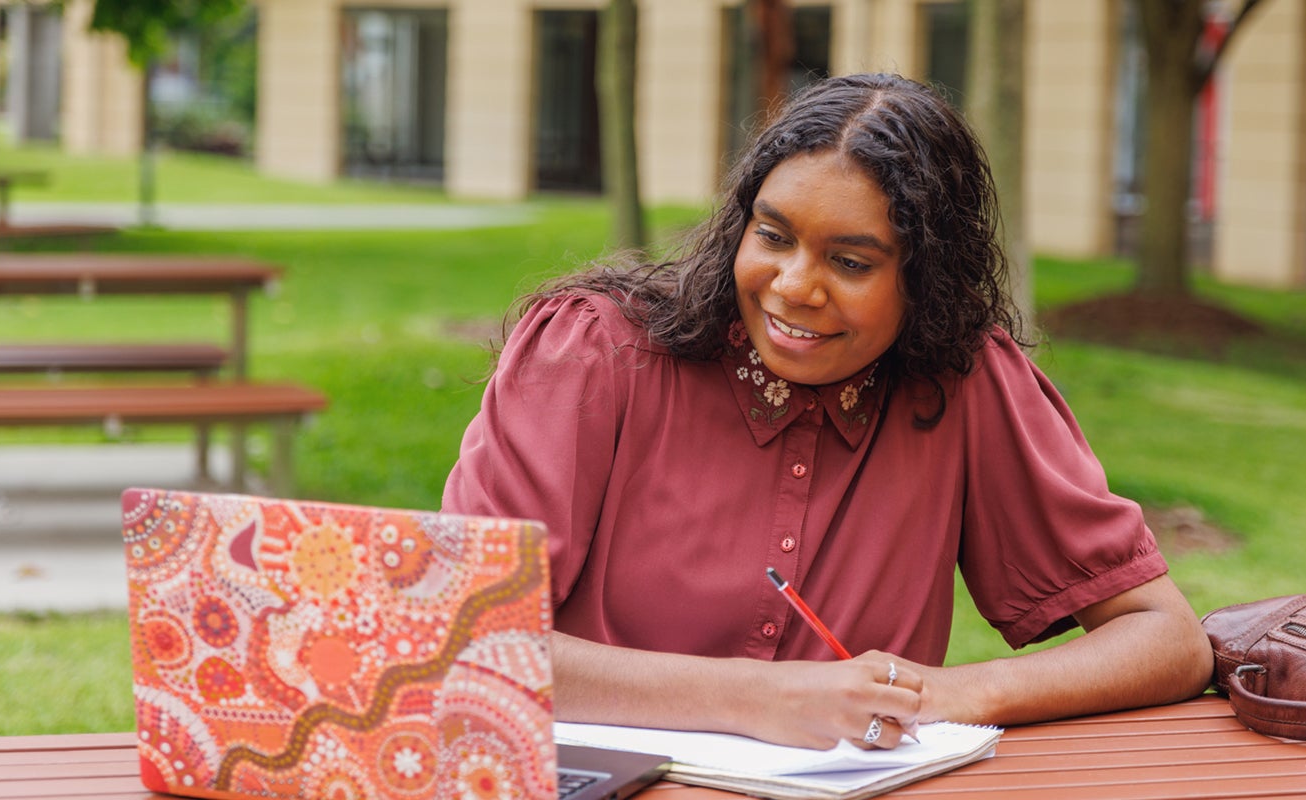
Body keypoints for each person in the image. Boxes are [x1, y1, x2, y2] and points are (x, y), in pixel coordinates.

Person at [442, 72, 1213, 752]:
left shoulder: (965, 386)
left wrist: (946, 694)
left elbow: (1166, 639)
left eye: (850, 263)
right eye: (772, 235)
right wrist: (760, 701)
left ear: (925, 280)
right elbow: (463, 640)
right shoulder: (590, 355)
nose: (794, 287)